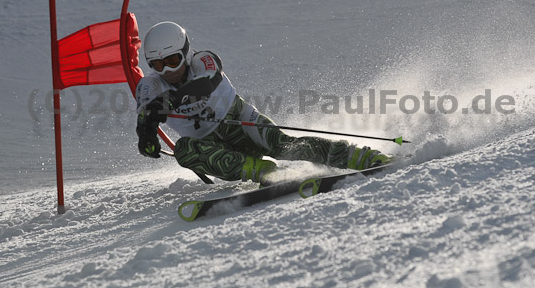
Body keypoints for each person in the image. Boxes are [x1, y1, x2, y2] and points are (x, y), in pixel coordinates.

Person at [135, 21, 390, 185]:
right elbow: (145, 117)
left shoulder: (203, 60)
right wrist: (146, 136)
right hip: (211, 146)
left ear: (186, 52)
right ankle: (264, 172)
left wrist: (169, 102)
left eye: (172, 61)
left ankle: (359, 156)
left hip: (240, 122)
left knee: (283, 146)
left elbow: (204, 85)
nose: (167, 70)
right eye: (157, 65)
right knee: (184, 150)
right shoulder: (150, 85)